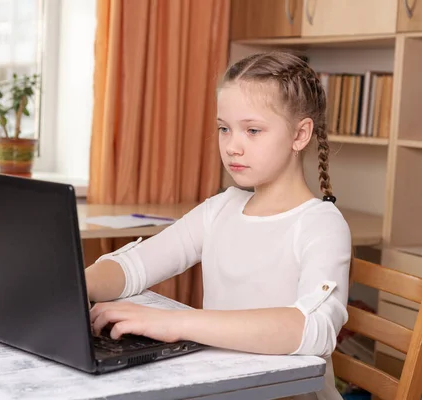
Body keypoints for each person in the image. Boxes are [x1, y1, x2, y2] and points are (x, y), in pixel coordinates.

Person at [85, 51, 351, 400]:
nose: (232, 146)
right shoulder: (220, 209)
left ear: (300, 134)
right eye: (224, 129)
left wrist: (173, 322)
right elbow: (134, 266)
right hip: (224, 387)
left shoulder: (321, 225)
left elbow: (313, 329)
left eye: (252, 130)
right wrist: (70, 286)